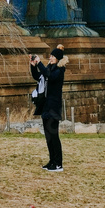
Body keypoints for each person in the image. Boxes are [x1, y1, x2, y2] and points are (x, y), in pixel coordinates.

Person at [30, 44, 68, 172]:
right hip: (46, 107)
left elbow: (49, 76)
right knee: (48, 137)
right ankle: (52, 161)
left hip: (53, 108)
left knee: (54, 136)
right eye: (50, 56)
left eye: (52, 56)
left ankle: (58, 164)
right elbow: (38, 77)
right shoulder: (49, 68)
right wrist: (33, 65)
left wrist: (40, 63)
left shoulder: (59, 71)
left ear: (58, 59)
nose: (50, 58)